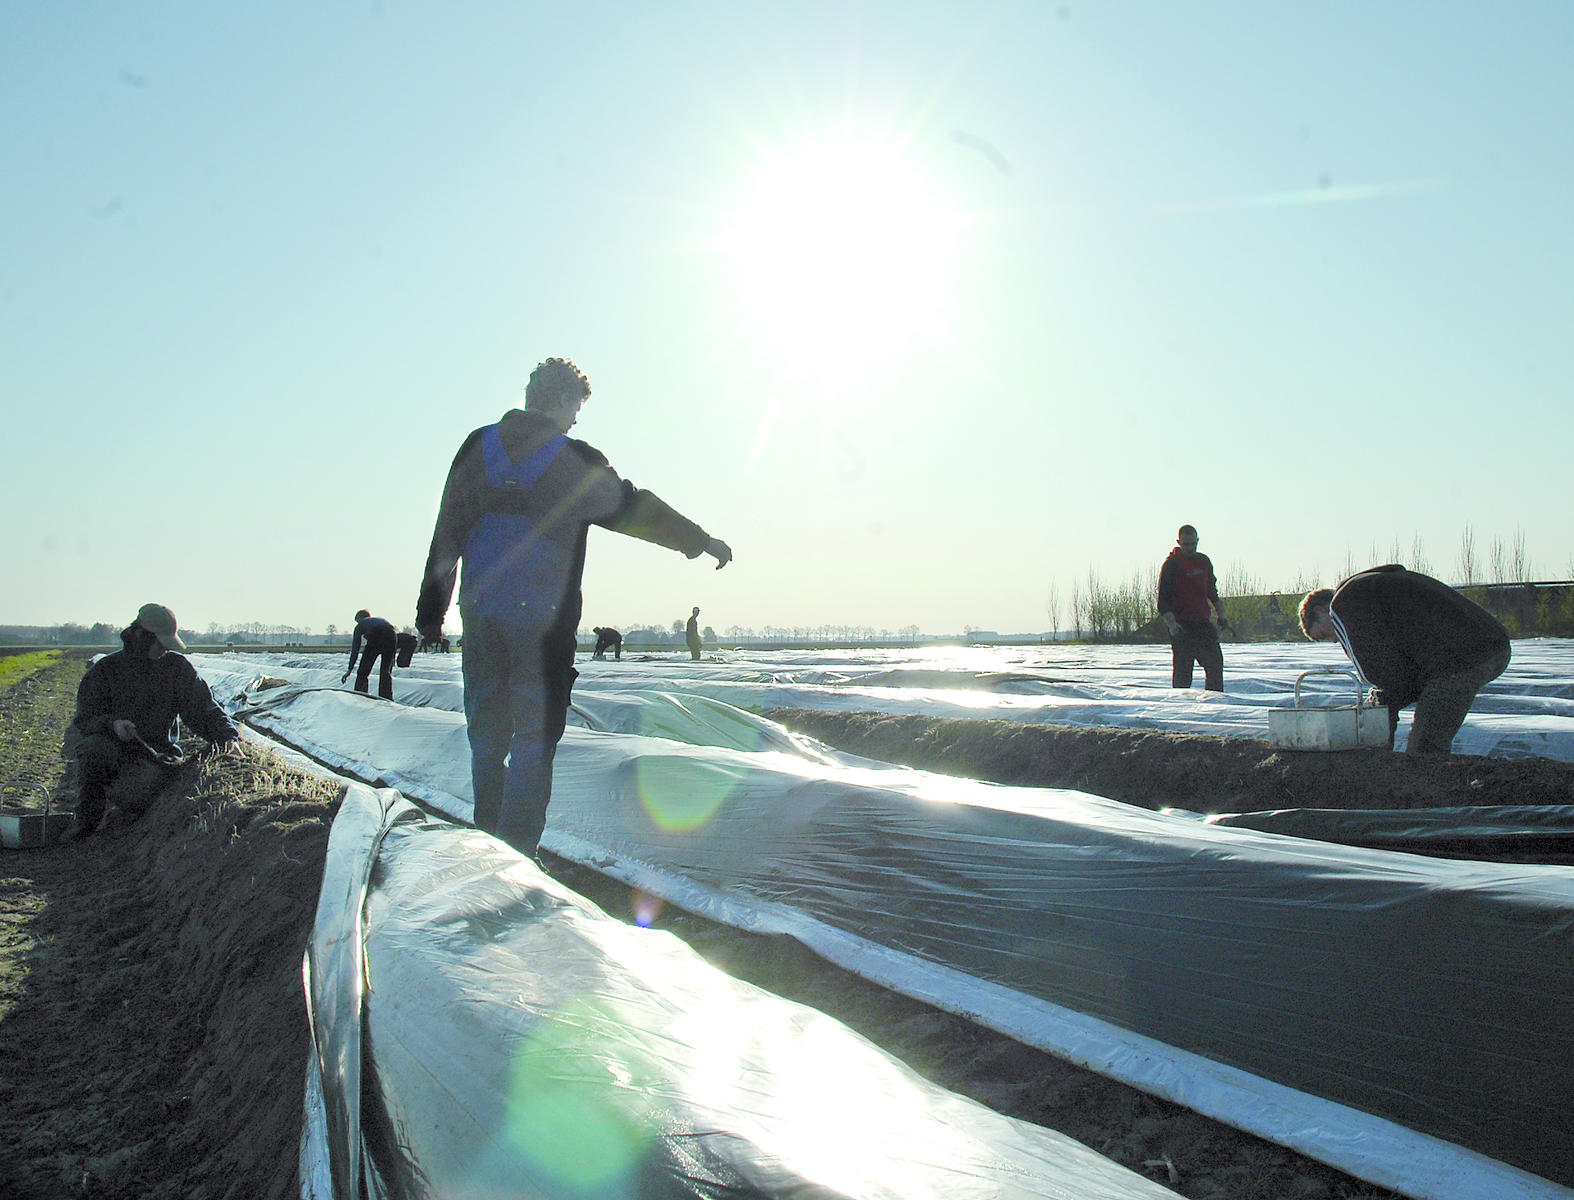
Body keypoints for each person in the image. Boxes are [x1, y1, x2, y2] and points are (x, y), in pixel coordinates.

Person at [416, 357, 733, 856]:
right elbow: (632, 508)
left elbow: (445, 533)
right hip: (543, 630)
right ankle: (518, 853)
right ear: (562, 402)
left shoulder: (476, 449)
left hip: (482, 620)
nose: (576, 422)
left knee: (487, 734)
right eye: (576, 410)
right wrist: (701, 541)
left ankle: (487, 846)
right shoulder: (573, 460)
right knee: (533, 740)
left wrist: (431, 615)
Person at [64, 603, 238, 839]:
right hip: (113, 752)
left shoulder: (177, 669)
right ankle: (85, 823)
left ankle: (134, 818)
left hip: (157, 755)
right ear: (140, 636)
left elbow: (203, 709)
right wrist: (112, 725)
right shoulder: (106, 670)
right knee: (94, 749)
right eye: (160, 643)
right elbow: (85, 718)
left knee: (140, 792)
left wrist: (227, 738)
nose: (165, 650)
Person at [1299, 565, 1510, 754]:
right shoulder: (1370, 590)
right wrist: (1385, 699)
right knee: (1387, 700)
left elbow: (1371, 671)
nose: (1334, 641)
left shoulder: (1343, 604)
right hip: (1490, 645)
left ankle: (1419, 787)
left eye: (1324, 635)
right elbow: (1397, 664)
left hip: (1465, 657)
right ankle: (1381, 761)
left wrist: (1382, 695)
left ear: (1321, 610)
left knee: (1425, 746)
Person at [1157, 524, 1233, 691]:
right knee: (1183, 674)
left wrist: (1222, 614)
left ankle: (1215, 703)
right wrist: (1172, 625)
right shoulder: (1172, 565)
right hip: (1181, 625)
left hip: (1202, 624)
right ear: (1179, 542)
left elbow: (1212, 592)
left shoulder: (1203, 561)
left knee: (1215, 666)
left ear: (1197, 541)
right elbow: (1163, 600)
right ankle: (1181, 708)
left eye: (1193, 544)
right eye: (1186, 545)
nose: (1190, 548)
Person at [342, 610, 398, 700]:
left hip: (376, 635)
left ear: (359, 618)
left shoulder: (361, 624)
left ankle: (360, 695)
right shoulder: (379, 620)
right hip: (392, 635)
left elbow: (356, 648)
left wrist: (350, 669)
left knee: (363, 670)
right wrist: (392, 659)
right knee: (385, 671)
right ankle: (386, 698)